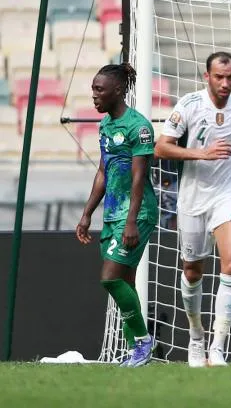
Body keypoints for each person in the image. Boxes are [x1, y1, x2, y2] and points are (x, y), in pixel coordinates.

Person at [155, 51, 231, 367]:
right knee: (192, 270)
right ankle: (196, 337)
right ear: (207, 77)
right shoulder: (189, 105)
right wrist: (202, 154)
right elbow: (161, 148)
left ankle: (217, 347)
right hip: (193, 197)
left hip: (228, 194)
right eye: (219, 77)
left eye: (230, 77)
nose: (226, 83)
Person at [76, 63, 158, 368]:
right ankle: (135, 350)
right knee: (126, 281)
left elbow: (138, 177)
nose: (94, 95)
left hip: (136, 213)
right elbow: (103, 171)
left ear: (118, 90)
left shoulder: (139, 127)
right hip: (112, 213)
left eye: (99, 89)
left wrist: (132, 221)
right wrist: (87, 213)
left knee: (110, 278)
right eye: (93, 89)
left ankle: (143, 342)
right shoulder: (106, 126)